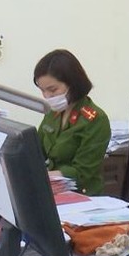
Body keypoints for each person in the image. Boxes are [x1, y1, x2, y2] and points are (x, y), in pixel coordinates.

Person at [34, 49, 111, 195]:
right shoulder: (53, 113)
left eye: (52, 90)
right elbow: (37, 151)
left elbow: (82, 173)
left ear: (72, 83)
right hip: (53, 189)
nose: (47, 96)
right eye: (42, 90)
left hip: (82, 193)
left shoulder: (95, 119)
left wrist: (45, 176)